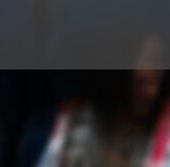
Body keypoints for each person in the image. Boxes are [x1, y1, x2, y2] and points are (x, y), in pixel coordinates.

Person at [38, 40, 170, 166]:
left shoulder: (161, 133)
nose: (152, 92)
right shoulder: (71, 126)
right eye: (139, 84)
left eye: (156, 81)